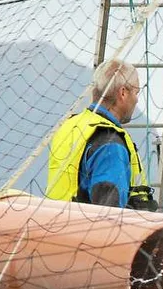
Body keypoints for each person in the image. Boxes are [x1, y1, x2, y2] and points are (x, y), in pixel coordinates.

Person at [46, 59, 156, 211]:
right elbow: (109, 214)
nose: (137, 100)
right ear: (123, 93)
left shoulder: (72, 126)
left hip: (58, 227)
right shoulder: (110, 146)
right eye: (136, 92)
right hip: (91, 232)